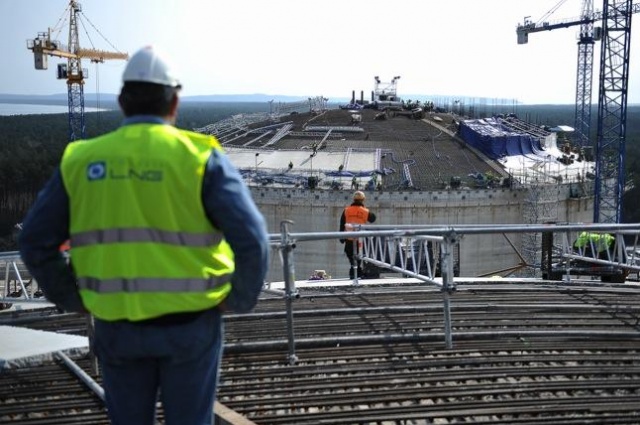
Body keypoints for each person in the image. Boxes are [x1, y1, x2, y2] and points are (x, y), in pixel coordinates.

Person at [18, 45, 269, 425]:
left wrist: (74, 297)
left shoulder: (82, 159)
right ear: (175, 101)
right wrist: (237, 299)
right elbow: (253, 239)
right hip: (192, 327)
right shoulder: (200, 157)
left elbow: (35, 241)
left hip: (118, 328)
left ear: (122, 101)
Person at [339, 190, 376, 279]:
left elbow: (342, 224)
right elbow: (373, 219)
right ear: (363, 200)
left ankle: (354, 272)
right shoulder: (365, 211)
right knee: (359, 257)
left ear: (353, 199)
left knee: (352, 258)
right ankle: (357, 272)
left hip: (349, 239)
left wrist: (341, 238)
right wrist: (364, 210)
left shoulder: (346, 210)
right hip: (360, 240)